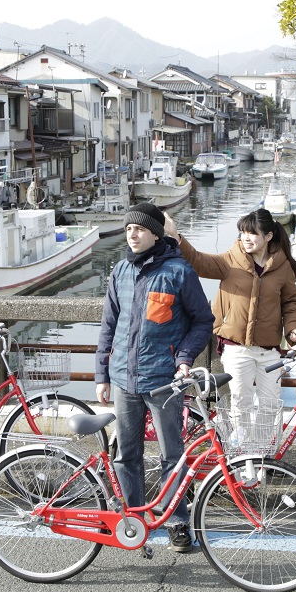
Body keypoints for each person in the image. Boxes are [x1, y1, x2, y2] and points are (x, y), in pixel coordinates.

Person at [95, 202, 215, 553]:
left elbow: (202, 321)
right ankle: (132, 519)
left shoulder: (179, 272)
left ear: (156, 233)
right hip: (123, 378)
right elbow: (108, 326)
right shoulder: (120, 271)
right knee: (125, 453)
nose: (132, 234)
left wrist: (184, 358)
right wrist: (102, 373)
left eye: (140, 229)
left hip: (164, 379)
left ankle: (177, 522)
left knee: (172, 454)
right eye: (128, 229)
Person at [164, 208, 296, 424]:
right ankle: (243, 456)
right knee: (241, 404)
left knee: (271, 405)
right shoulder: (231, 260)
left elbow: (291, 302)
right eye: (243, 232)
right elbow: (198, 261)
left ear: (268, 236)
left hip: (269, 349)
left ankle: (264, 455)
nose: (246, 238)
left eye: (253, 233)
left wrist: (294, 328)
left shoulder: (282, 266)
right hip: (235, 347)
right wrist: (176, 236)